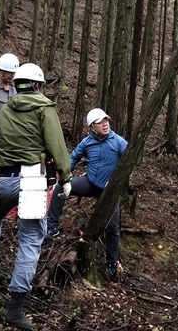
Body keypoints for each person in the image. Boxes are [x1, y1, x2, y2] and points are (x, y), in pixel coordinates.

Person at [0, 63, 71, 331]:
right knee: (30, 239)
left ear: (17, 84)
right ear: (38, 85)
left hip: (4, 178)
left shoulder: (5, 110)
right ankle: (15, 309)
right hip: (32, 182)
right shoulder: (44, 108)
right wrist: (66, 178)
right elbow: (57, 145)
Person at [46, 108, 128, 281]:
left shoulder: (119, 142)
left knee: (112, 227)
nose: (105, 124)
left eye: (106, 120)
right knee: (60, 188)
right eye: (100, 122)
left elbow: (129, 163)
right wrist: (66, 178)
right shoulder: (87, 142)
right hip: (90, 183)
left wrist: (116, 182)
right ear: (92, 127)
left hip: (109, 190)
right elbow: (72, 158)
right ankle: (51, 227)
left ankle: (112, 264)